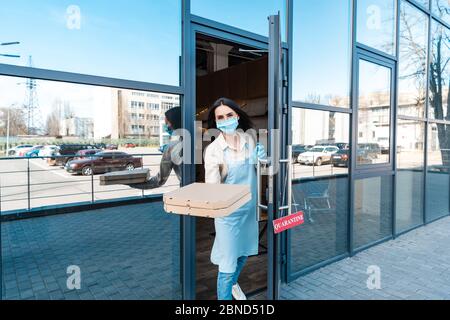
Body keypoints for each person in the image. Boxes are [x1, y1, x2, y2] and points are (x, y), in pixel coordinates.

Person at [204, 97, 265, 300]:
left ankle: (232, 284)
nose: (225, 119)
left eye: (229, 115)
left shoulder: (248, 139)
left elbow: (258, 171)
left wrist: (261, 160)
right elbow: (212, 189)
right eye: (220, 117)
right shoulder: (213, 151)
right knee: (228, 264)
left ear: (237, 115)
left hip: (249, 210)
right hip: (228, 215)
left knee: (244, 252)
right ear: (216, 122)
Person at [127, 106, 182, 189]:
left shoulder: (171, 147)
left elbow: (159, 180)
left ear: (173, 123)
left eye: (167, 123)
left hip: (188, 190)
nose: (166, 126)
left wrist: (132, 183)